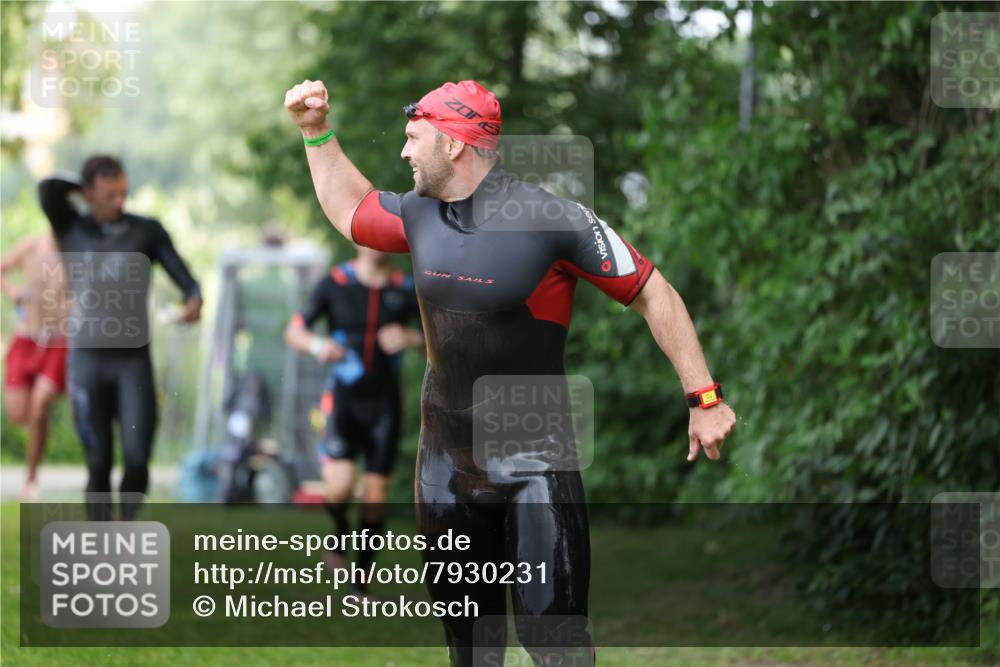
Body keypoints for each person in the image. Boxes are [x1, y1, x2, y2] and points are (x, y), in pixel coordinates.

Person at [285, 79, 736, 665]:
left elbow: (654, 292)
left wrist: (704, 398)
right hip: (445, 463)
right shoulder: (419, 215)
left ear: (452, 145)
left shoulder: (553, 219)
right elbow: (350, 209)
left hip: (535, 460)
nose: (403, 152)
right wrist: (315, 130)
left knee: (557, 642)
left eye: (413, 138)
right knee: (471, 648)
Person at [38, 155, 203, 520]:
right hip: (86, 361)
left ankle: (126, 526)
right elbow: (48, 189)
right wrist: (79, 187)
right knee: (98, 463)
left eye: (124, 194)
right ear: (88, 193)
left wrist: (193, 300)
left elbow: (186, 279)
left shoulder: (146, 231)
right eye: (110, 195)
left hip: (132, 362)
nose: (119, 202)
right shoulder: (69, 227)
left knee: (137, 457)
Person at [285, 244, 423, 593]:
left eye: (385, 234)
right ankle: (338, 538)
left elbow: (442, 341)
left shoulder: (406, 289)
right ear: (356, 237)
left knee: (376, 495)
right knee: (339, 487)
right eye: (370, 232)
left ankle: (361, 580)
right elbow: (295, 331)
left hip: (385, 406)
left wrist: (412, 338)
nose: (377, 242)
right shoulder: (335, 283)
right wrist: (318, 347)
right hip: (342, 403)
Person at [1, 232, 71, 499]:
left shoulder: (77, 246)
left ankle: (31, 478)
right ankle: (38, 434)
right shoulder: (31, 246)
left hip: (59, 341)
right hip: (27, 338)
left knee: (41, 403)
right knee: (20, 414)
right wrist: (13, 292)